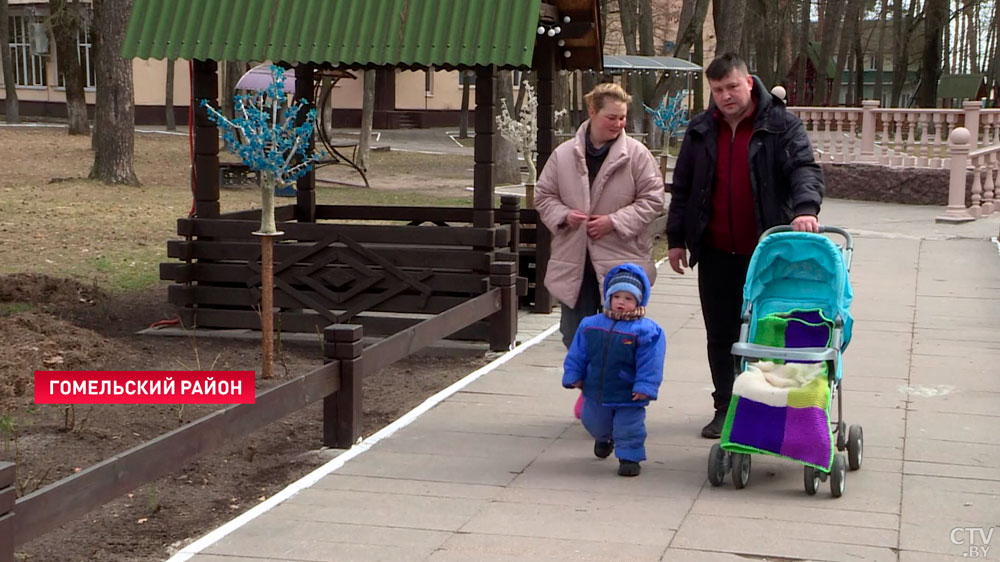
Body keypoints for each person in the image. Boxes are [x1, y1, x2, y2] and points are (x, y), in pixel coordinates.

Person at [665, 52, 824, 439]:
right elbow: (683, 186)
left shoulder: (781, 125)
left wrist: (805, 209)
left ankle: (769, 403)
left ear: (749, 82)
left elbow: (804, 168)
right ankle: (725, 405)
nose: (725, 96)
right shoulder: (701, 130)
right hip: (716, 251)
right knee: (720, 334)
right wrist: (675, 240)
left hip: (767, 253)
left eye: (732, 87)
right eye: (717, 90)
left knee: (767, 331)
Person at [534, 82, 665, 417]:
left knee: (622, 340)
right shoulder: (564, 155)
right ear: (592, 112)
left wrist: (614, 221)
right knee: (573, 333)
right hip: (575, 262)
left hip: (621, 265)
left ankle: (614, 398)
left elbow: (653, 199)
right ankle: (592, 388)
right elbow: (543, 196)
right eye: (612, 117)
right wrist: (564, 215)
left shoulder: (636, 155)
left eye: (622, 118)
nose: (619, 124)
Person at [562, 264, 665, 477]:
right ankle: (604, 437)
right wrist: (574, 375)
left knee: (629, 427)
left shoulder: (647, 331)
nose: (621, 302)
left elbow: (651, 362)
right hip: (595, 389)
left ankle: (630, 457)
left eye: (628, 298)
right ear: (608, 297)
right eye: (617, 296)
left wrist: (645, 385)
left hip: (628, 391)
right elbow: (578, 353)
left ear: (639, 301)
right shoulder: (590, 325)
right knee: (593, 422)